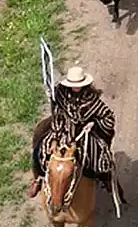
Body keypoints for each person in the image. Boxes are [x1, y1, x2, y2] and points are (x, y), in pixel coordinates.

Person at [29, 65, 116, 198]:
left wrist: (94, 124)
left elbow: (108, 117)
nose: (76, 87)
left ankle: (105, 177)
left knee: (99, 156)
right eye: (73, 84)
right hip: (62, 129)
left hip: (82, 134)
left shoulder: (91, 100)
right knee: (40, 151)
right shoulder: (60, 94)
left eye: (78, 84)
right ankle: (38, 178)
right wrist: (55, 138)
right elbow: (57, 113)